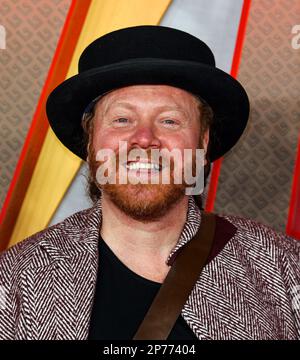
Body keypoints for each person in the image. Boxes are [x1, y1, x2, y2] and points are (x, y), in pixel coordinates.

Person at [0, 25, 299, 340]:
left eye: (169, 121)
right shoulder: (16, 279)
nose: (144, 139)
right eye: (122, 120)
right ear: (91, 141)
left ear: (203, 142)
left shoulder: (283, 268)